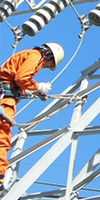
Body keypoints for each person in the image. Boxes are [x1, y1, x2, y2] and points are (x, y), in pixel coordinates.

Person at [0, 43, 63, 190]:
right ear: (48, 55)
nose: (45, 67)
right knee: (2, 138)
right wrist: (38, 86)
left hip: (6, 95)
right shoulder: (36, 56)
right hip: (5, 101)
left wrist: (31, 92)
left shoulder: (27, 54)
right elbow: (22, 77)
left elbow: (15, 81)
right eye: (48, 65)